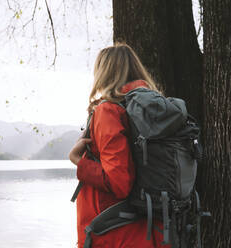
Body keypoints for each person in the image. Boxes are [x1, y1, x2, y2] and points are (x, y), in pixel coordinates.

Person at [69, 43, 171, 248]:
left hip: (113, 234)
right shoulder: (156, 111)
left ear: (103, 73)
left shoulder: (108, 111)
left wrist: (79, 161)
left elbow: (119, 182)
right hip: (149, 230)